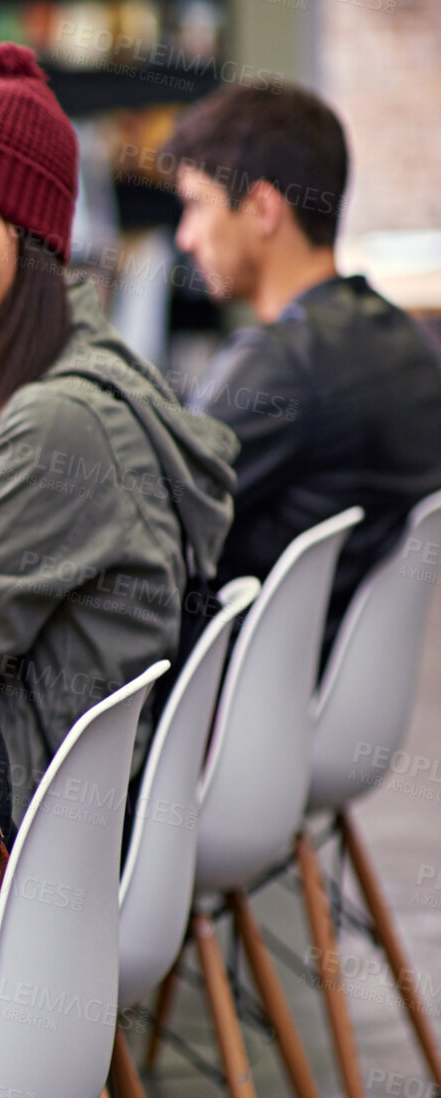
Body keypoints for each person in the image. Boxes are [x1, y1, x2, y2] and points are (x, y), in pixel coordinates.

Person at [0, 43, 239, 818]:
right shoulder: (43, 379)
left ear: (33, 238)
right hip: (44, 826)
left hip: (12, 860)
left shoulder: (57, 422)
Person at [166, 83, 441, 663]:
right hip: (331, 694)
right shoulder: (408, 346)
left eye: (196, 203)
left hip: (244, 705)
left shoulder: (284, 365)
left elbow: (154, 510)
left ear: (263, 209)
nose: (184, 236)